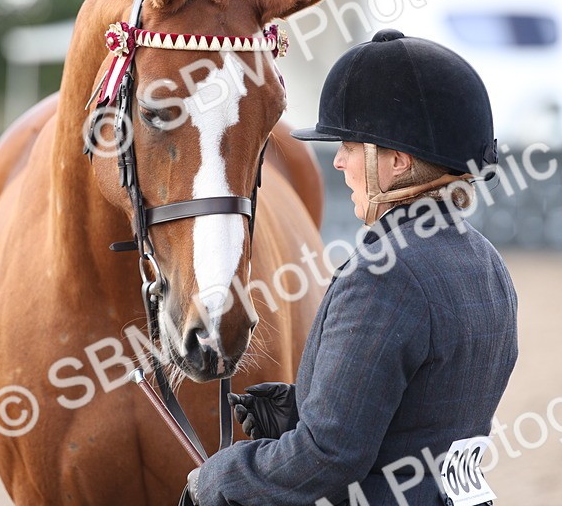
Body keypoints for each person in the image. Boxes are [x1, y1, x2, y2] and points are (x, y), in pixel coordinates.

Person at [184, 28, 519, 506]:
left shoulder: (385, 274)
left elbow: (327, 458)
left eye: (350, 147)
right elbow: (422, 413)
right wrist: (305, 407)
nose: (338, 161)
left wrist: (218, 479)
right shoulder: (487, 264)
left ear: (397, 162)